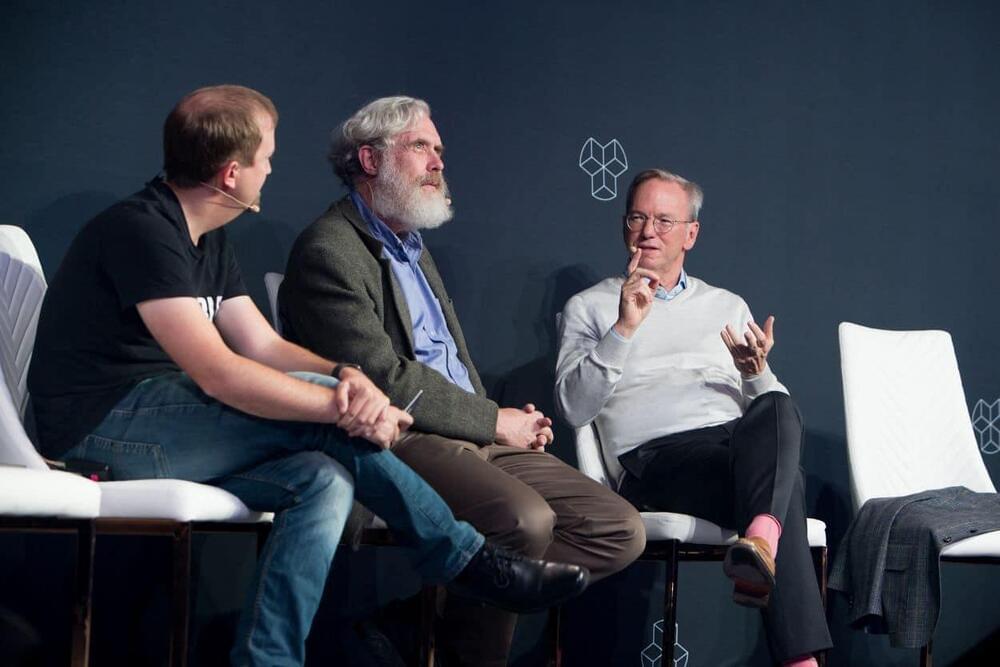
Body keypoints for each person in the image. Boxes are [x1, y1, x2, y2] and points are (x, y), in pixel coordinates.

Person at [26, 85, 588, 667]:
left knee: (322, 479)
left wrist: (347, 377)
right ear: (231, 173)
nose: (271, 170)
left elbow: (263, 345)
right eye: (266, 157)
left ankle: (268, 660)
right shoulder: (142, 229)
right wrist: (341, 406)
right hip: (102, 430)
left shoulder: (209, 239)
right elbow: (217, 372)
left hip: (170, 426)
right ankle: (462, 559)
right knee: (326, 414)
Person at [278, 95, 645, 666]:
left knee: (618, 528)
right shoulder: (329, 250)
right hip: (395, 435)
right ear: (370, 160)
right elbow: (379, 377)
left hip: (468, 432)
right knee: (524, 522)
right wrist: (492, 419)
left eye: (439, 150)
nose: (438, 162)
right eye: (421, 147)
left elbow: (448, 360)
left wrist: (498, 425)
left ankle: (415, 620)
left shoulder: (414, 248)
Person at [554, 169, 832, 666]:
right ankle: (777, 589)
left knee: (776, 403)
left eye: (664, 220)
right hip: (654, 460)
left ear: (691, 234)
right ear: (623, 226)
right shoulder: (591, 307)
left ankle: (760, 544)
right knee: (788, 482)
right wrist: (623, 328)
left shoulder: (726, 305)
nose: (648, 231)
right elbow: (574, 407)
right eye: (637, 218)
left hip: (730, 449)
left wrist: (755, 374)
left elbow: (772, 416)